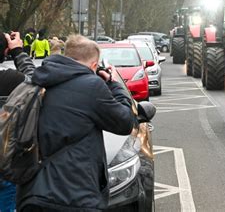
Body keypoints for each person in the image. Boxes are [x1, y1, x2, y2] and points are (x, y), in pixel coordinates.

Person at [16, 34, 137, 212]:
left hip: (33, 193)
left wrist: (17, 52)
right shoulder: (92, 86)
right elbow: (125, 122)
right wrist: (114, 84)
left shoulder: (38, 78)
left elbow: (27, 68)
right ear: (94, 65)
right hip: (75, 195)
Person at [0, 31, 36, 212]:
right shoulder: (13, 80)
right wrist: (19, 52)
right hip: (6, 163)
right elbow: (37, 82)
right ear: (5, 51)